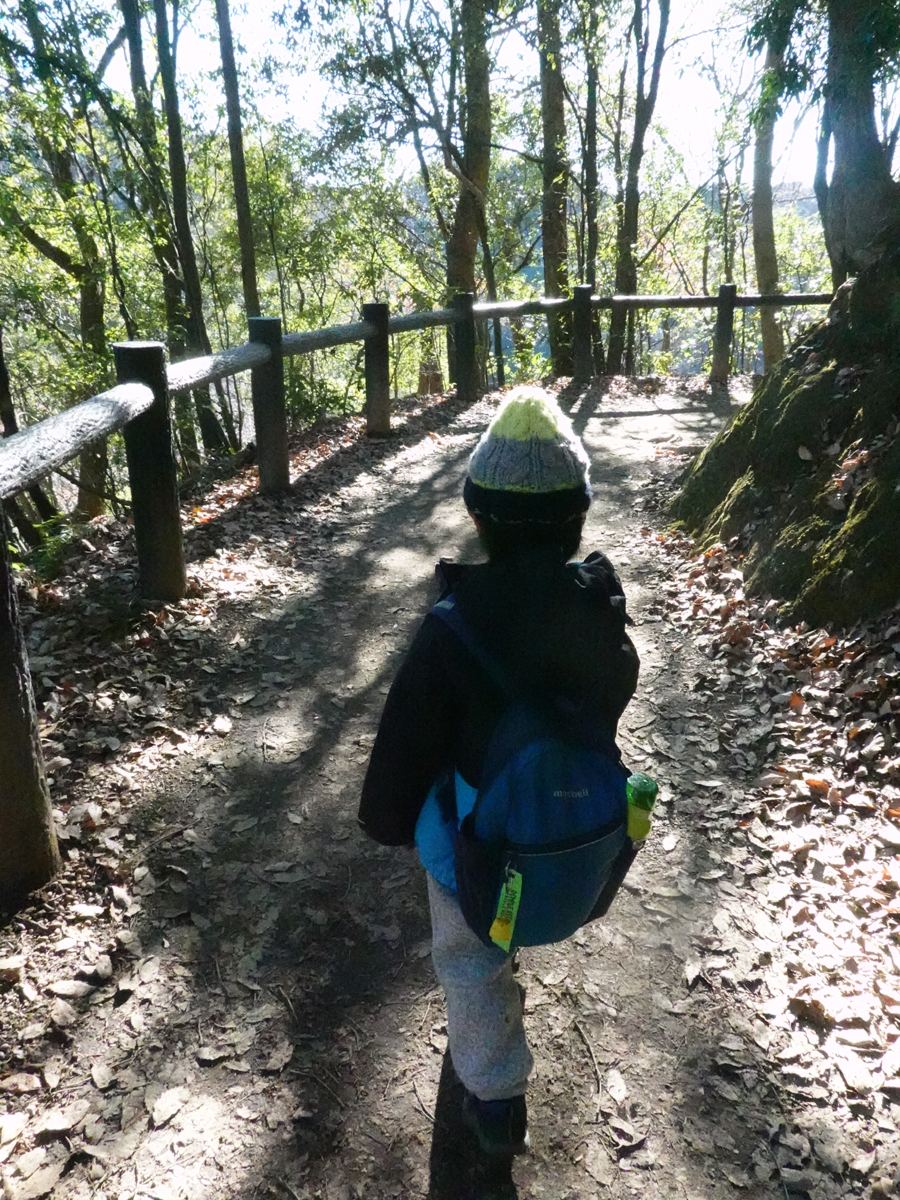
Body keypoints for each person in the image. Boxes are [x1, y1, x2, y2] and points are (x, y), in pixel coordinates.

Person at [358, 386, 639, 1156]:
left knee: (471, 960)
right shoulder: (601, 609)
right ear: (576, 516)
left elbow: (407, 745)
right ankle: (521, 930)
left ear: (478, 518)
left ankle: (494, 1094)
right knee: (501, 920)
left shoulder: (453, 629)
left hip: (476, 847)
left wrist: (385, 821)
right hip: (577, 829)